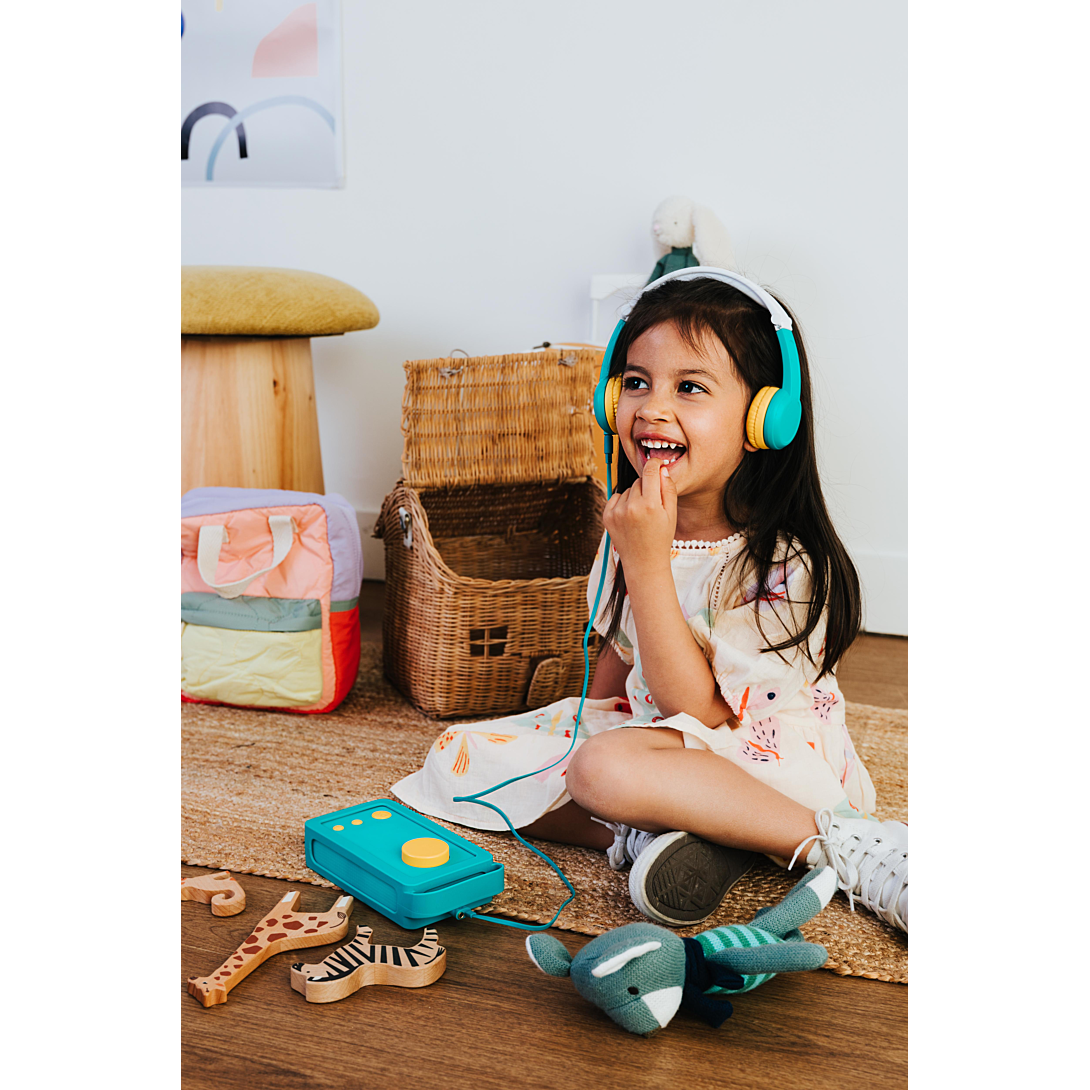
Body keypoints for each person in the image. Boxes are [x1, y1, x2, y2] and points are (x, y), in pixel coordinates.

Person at [391, 272, 911, 935]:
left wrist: (646, 562)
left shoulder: (782, 563)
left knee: (602, 769)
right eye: (636, 382)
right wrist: (572, 727)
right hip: (661, 745)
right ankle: (667, 835)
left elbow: (700, 711)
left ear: (765, 419)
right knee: (462, 756)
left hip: (764, 760)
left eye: (689, 388)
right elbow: (621, 656)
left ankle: (845, 848)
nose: (651, 408)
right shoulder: (632, 522)